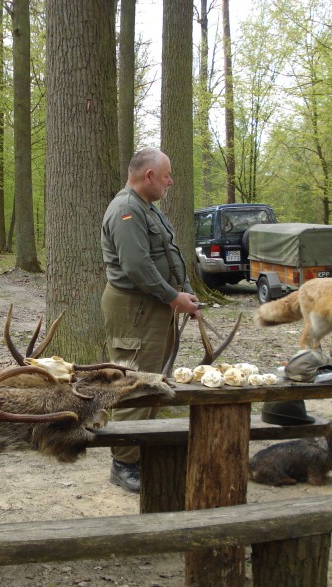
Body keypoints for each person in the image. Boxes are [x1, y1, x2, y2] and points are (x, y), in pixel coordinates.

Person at [100, 147, 200, 493]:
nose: (171, 181)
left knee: (154, 383)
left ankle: (140, 455)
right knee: (135, 388)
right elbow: (137, 266)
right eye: (168, 175)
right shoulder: (127, 210)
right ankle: (124, 463)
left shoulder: (147, 210)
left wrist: (186, 293)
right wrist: (174, 297)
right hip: (135, 309)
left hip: (154, 306)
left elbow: (169, 256)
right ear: (149, 176)